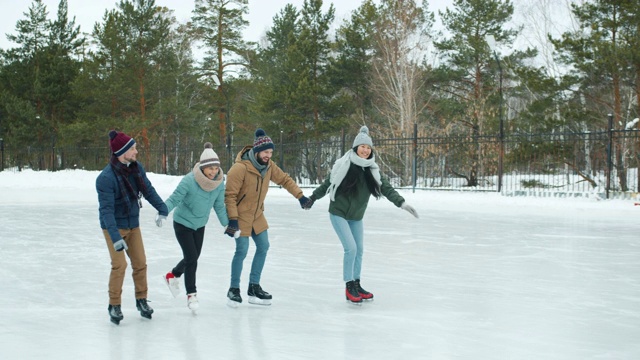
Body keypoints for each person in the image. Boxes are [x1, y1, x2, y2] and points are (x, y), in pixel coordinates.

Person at [305, 126, 419, 305]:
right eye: (362, 146)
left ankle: (356, 283)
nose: (365, 150)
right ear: (355, 147)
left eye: (368, 147)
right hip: (339, 213)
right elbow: (329, 183)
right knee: (350, 248)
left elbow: (386, 188)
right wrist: (312, 197)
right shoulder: (344, 164)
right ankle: (348, 285)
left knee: (359, 250)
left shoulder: (372, 170)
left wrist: (401, 203)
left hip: (356, 216)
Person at [224, 128, 312, 306]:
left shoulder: (269, 166)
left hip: (257, 215)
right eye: (266, 152)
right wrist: (232, 219)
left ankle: (254, 286)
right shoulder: (239, 168)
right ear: (256, 151)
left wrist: (300, 196)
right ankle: (233, 289)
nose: (268, 156)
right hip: (240, 216)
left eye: (271, 152)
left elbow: (285, 180)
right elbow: (230, 196)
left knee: (264, 246)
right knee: (242, 251)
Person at [96, 130, 168, 324]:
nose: (136, 151)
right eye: (133, 148)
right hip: (114, 227)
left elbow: (148, 190)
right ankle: (114, 305)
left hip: (132, 224)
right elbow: (107, 211)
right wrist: (115, 237)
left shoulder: (136, 168)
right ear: (122, 152)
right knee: (120, 265)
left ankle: (142, 300)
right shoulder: (106, 178)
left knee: (140, 263)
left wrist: (162, 208)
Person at [161, 142, 228, 312]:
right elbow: (175, 198)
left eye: (216, 167)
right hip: (183, 223)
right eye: (210, 168)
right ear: (203, 167)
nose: (213, 171)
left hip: (200, 225)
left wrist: (227, 224)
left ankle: (173, 275)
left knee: (194, 256)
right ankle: (192, 294)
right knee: (191, 258)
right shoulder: (189, 180)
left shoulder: (219, 182)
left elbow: (219, 206)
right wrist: (163, 211)